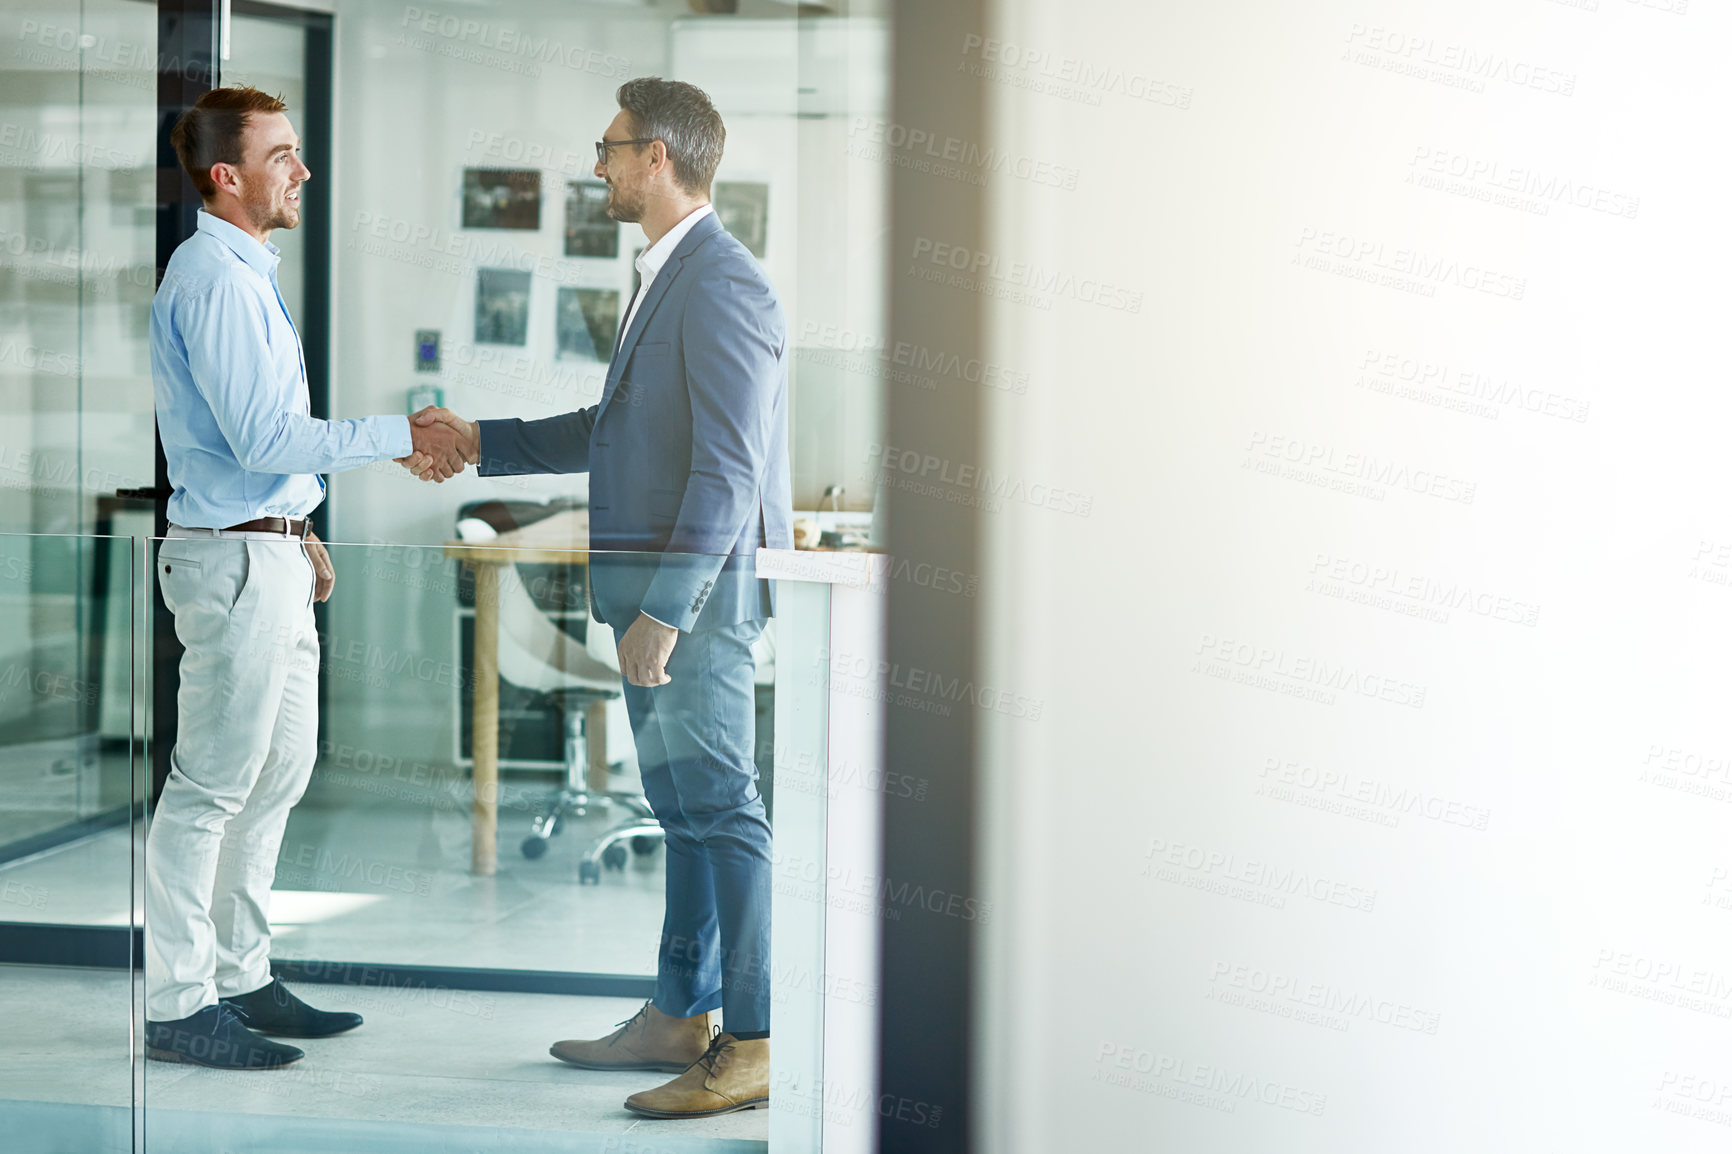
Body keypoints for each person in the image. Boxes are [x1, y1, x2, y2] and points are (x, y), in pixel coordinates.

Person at [406, 76, 792, 1118]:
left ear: (658, 158)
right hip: (651, 595)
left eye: (611, 147)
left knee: (722, 811)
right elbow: (611, 429)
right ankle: (679, 1012)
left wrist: (665, 610)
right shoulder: (665, 274)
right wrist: (482, 441)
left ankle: (751, 1040)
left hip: (690, 603)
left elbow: (727, 471)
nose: (598, 164)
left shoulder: (721, 281)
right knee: (681, 810)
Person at [146, 86, 468, 1070]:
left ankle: (241, 976)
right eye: (282, 154)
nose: (304, 170)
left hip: (269, 546)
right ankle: (176, 1001)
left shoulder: (248, 272)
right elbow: (263, 436)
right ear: (226, 175)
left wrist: (300, 526)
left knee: (277, 776)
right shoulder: (215, 279)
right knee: (208, 786)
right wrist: (398, 435)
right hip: (233, 558)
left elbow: (260, 456)